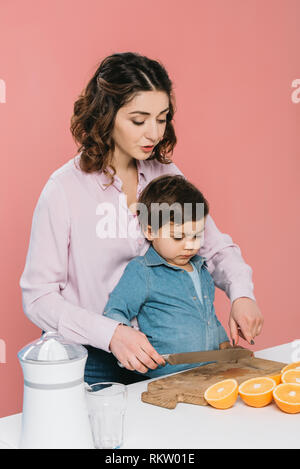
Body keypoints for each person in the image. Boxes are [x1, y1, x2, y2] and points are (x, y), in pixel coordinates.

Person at [19, 52, 263, 385]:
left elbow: (214, 249)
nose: (154, 133)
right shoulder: (64, 189)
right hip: (93, 360)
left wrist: (241, 294)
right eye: (139, 120)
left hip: (165, 354)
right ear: (106, 116)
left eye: (161, 118)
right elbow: (39, 297)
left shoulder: (166, 175)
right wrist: (111, 334)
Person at [103, 175, 231, 378]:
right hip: (166, 378)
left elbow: (208, 315)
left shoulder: (201, 268)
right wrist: (131, 341)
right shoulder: (142, 271)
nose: (190, 245)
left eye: (197, 235)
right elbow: (114, 311)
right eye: (178, 237)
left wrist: (222, 341)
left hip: (210, 373)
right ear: (150, 231)